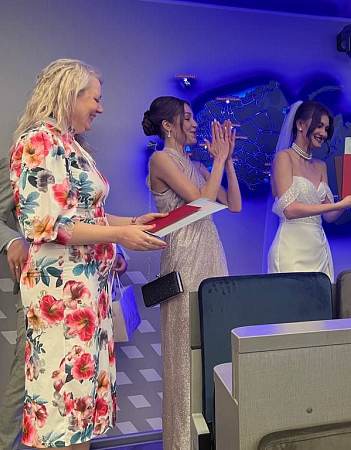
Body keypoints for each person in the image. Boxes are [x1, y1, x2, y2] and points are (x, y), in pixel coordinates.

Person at [9, 59, 166, 449]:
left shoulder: (70, 144)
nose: (100, 107)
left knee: (79, 411)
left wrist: (132, 222)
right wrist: (119, 234)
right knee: (62, 411)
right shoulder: (40, 141)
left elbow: (85, 216)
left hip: (86, 294)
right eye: (94, 99)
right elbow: (45, 223)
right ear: (69, 94)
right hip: (63, 296)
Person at [0, 157, 127, 450]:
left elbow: (90, 217)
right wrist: (14, 241)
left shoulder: (79, 157)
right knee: (28, 384)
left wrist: (116, 251)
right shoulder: (25, 155)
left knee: (78, 389)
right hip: (46, 295)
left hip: (86, 293)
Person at [143, 96, 241, 450]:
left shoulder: (195, 163)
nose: (195, 123)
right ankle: (181, 441)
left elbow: (234, 204)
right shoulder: (160, 159)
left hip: (211, 253)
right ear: (168, 126)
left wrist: (227, 161)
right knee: (184, 348)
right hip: (184, 256)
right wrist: (216, 161)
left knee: (211, 342)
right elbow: (200, 204)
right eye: (186, 117)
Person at [267, 100, 351, 280]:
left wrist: (347, 201)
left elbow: (329, 216)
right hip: (291, 249)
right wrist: (339, 204)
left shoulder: (321, 166)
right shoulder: (283, 158)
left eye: (326, 129)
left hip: (318, 249)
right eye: (319, 126)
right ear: (300, 124)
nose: (323, 133)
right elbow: (289, 210)